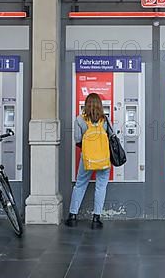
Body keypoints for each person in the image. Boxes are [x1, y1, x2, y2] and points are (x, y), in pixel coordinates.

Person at [65, 93, 111, 229]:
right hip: (103, 159)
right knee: (101, 186)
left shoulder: (79, 119)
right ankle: (96, 219)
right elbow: (111, 137)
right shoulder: (105, 120)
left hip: (87, 159)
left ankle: (72, 216)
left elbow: (77, 139)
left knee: (80, 185)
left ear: (86, 105)